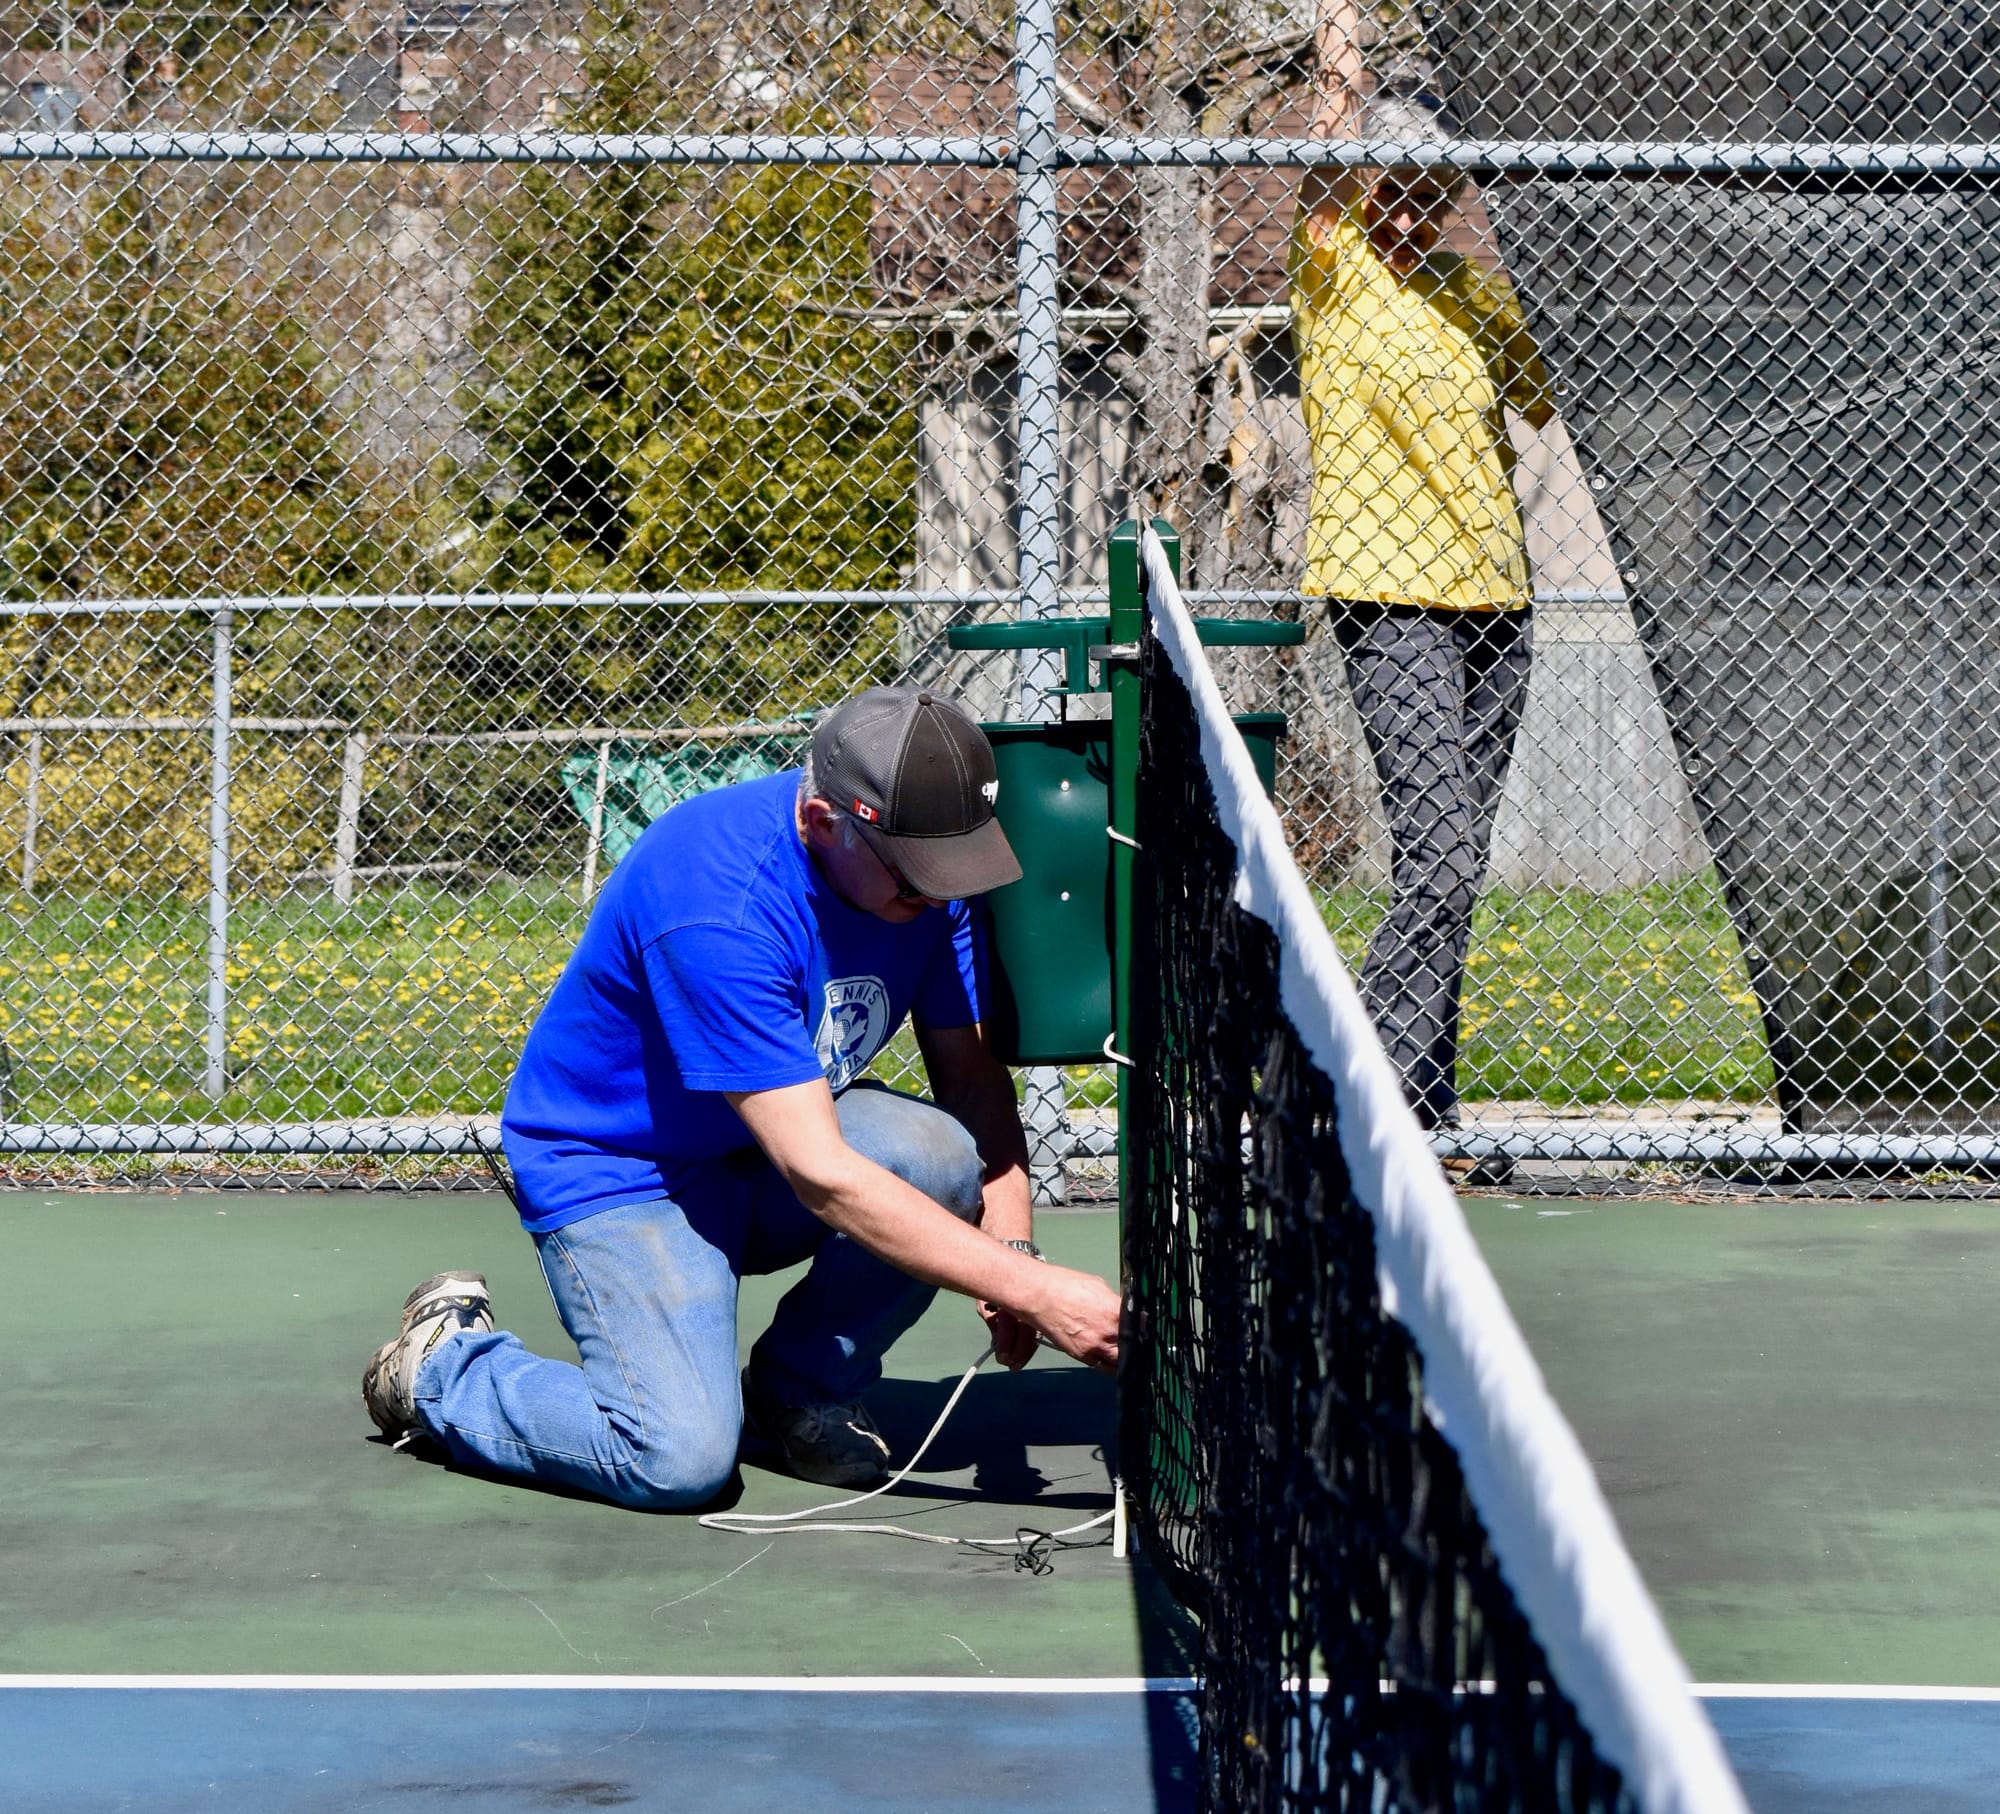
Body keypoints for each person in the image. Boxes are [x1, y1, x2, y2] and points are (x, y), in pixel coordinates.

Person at [361, 686, 1123, 1507]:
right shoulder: (717, 902)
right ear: (823, 822)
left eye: (954, 873)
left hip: (762, 1147)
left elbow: (969, 1077)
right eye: (916, 882)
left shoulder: (929, 884)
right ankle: (444, 1367)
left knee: (935, 1154)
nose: (938, 900)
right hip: (627, 1173)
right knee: (675, 1461)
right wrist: (1040, 1298)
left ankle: (799, 1391)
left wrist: (1013, 1255)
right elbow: (822, 1174)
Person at [1295, 4, 1556, 1138]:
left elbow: (1554, 391)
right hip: (1387, 594)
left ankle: (1423, 1096)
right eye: (1387, 189)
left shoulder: (1470, 291)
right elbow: (1326, 142)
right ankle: (1353, 1093)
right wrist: (1339, 31)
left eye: (1425, 195)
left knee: (1445, 869)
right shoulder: (1335, 270)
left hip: (1496, 597)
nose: (1403, 212)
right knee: (1441, 862)